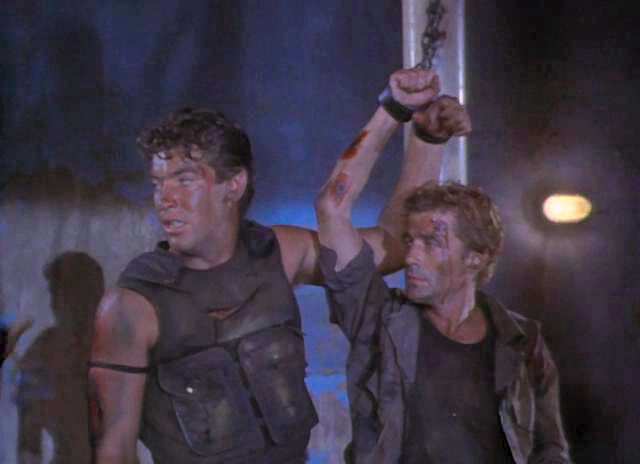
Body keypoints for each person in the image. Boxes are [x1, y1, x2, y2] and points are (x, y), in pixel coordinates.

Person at [88, 67, 469, 464]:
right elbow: (113, 450)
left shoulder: (279, 254)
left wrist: (425, 139)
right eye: (157, 183)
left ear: (233, 185)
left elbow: (394, 245)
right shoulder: (131, 308)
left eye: (184, 180)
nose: (165, 199)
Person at [315, 179, 572, 461]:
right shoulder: (382, 322)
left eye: (431, 243)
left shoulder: (521, 340)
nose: (410, 257)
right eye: (410, 241)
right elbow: (332, 216)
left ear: (476, 258)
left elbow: (549, 449)